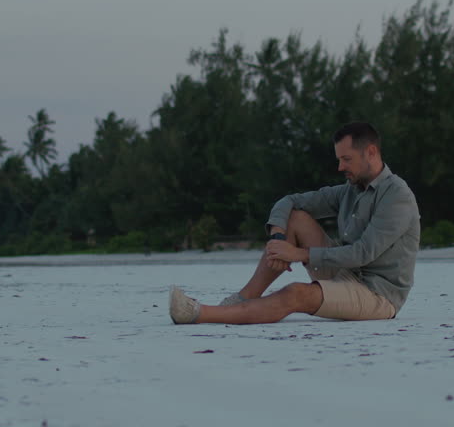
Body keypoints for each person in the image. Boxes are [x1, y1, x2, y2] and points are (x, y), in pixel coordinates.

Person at [169, 121, 420, 325]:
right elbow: (290, 200)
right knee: (296, 217)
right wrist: (279, 238)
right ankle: (243, 299)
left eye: (346, 159)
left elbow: (363, 253)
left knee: (295, 294)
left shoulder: (397, 196)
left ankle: (198, 313)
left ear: (371, 152)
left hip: (377, 294)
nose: (340, 167)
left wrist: (298, 254)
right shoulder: (351, 190)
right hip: (345, 273)